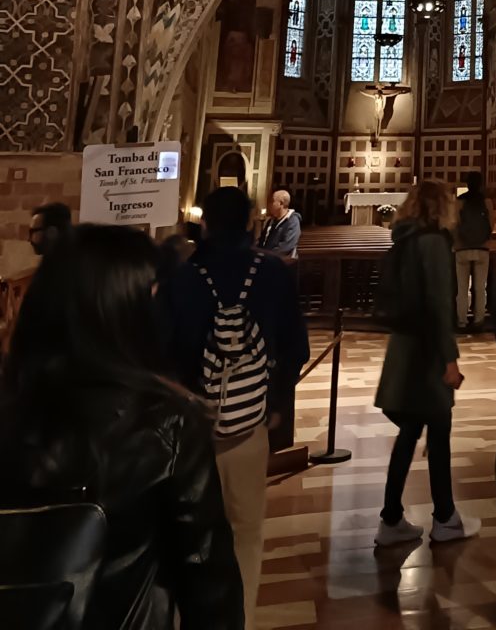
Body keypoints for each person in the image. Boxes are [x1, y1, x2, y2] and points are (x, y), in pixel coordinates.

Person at [0, 224, 243, 628]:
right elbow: (208, 581)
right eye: (152, 293)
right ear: (124, 311)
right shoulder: (167, 422)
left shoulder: (13, 404)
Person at [162, 187, 309, 624]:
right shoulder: (272, 273)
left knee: (185, 530)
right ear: (249, 225)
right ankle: (239, 618)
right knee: (245, 529)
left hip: (189, 431)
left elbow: (158, 353)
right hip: (249, 423)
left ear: (204, 223)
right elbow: (295, 348)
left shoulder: (183, 277)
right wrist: (274, 402)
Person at [374, 180, 479, 546]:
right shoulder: (433, 243)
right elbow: (438, 305)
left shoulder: (404, 238)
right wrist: (450, 360)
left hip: (404, 348)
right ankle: (445, 518)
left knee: (411, 434)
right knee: (437, 434)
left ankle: (392, 519)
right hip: (426, 353)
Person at [454, 171, 493, 331]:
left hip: (462, 248)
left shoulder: (459, 201)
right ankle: (479, 320)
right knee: (480, 287)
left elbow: (455, 223)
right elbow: (491, 224)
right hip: (482, 247)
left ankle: (462, 320)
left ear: (467, 184)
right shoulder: (487, 201)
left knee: (462, 288)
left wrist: (457, 242)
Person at [258, 188, 302, 258]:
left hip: (279, 261)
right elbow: (262, 241)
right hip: (266, 259)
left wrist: (266, 255)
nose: (269, 205)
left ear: (281, 203)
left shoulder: (293, 221)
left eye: (272, 201)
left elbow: (286, 247)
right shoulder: (271, 220)